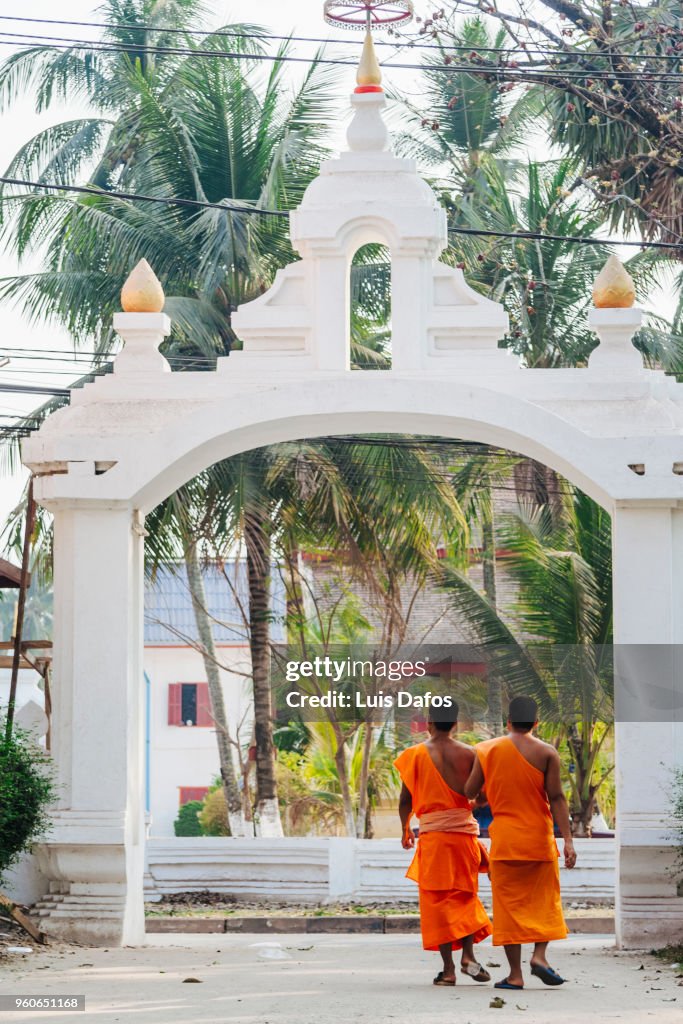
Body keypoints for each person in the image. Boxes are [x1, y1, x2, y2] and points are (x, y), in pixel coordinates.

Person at [465, 695, 577, 990]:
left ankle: (515, 975)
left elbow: (470, 790)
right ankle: (539, 956)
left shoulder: (486, 749)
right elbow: (557, 798)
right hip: (538, 839)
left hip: (506, 842)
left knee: (509, 908)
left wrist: (487, 790)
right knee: (544, 902)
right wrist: (567, 840)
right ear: (536, 723)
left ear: (508, 722)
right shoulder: (547, 752)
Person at [394, 709, 492, 987]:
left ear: (429, 724)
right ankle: (468, 956)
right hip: (462, 837)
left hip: (434, 838)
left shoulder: (414, 755)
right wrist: (465, 808)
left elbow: (405, 800)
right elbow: (482, 796)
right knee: (465, 895)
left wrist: (405, 828)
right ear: (456, 724)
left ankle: (448, 970)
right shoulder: (471, 753)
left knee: (438, 902)